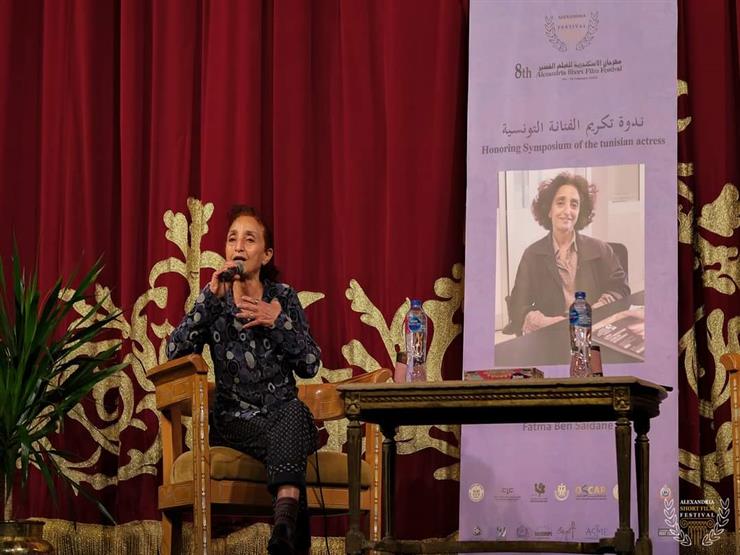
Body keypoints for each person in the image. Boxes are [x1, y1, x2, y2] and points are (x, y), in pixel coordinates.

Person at [167, 205, 321, 555]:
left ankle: (283, 526)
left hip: (283, 414)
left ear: (266, 255)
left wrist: (277, 322)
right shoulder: (215, 301)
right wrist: (208, 301)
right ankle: (286, 521)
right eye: (232, 239)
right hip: (234, 420)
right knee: (295, 432)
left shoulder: (283, 298)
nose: (238, 246)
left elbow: (311, 364)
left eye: (249, 240)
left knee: (294, 414)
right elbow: (173, 353)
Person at [505, 172, 630, 336]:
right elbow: (517, 305)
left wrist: (595, 311)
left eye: (574, 204)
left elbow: (621, 288)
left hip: (594, 333)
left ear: (580, 211)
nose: (567, 211)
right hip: (551, 336)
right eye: (560, 203)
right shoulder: (532, 255)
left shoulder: (601, 249)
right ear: (549, 210)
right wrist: (543, 322)